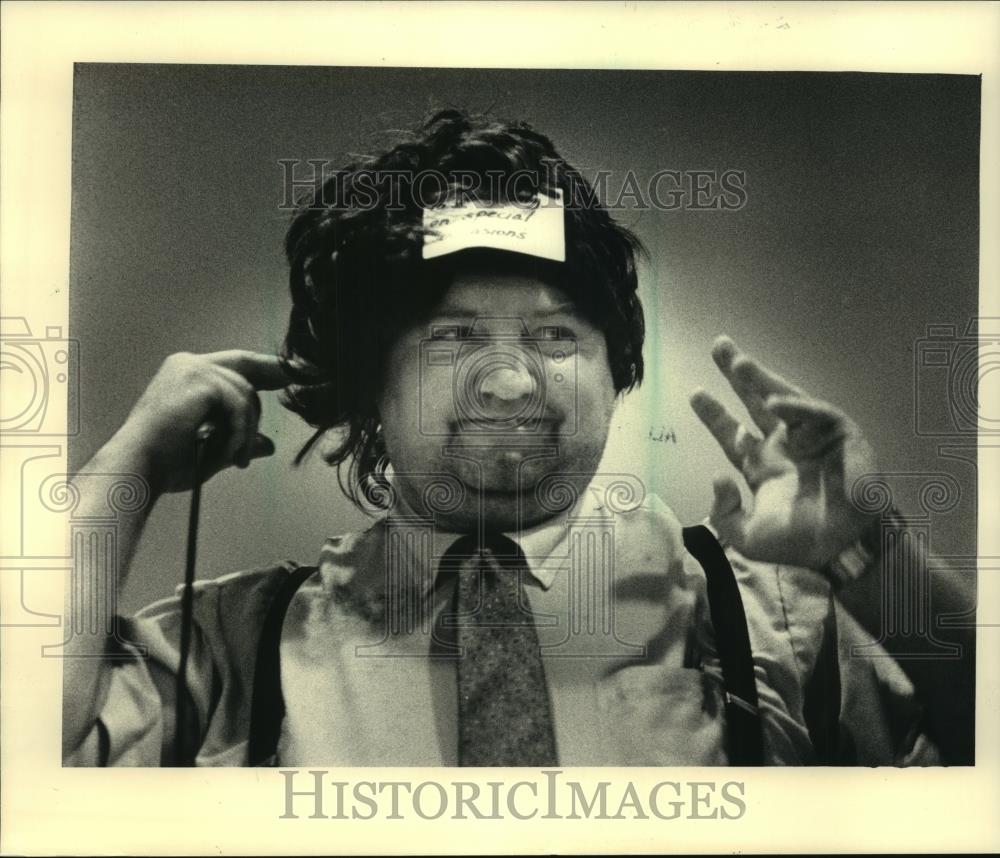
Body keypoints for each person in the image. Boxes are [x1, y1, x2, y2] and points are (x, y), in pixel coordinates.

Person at [62, 109, 959, 767]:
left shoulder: (776, 619)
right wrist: (122, 471)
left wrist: (873, 552)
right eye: (452, 336)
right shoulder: (234, 646)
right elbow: (18, 774)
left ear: (618, 371)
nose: (509, 379)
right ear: (371, 384)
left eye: (556, 334)